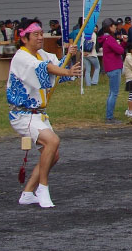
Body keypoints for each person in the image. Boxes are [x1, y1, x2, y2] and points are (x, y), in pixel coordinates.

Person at [8, 18, 82, 208]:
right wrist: (65, 72)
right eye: (36, 34)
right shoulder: (22, 57)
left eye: (41, 34)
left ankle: (27, 193)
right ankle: (43, 188)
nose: (40, 37)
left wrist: (69, 57)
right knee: (53, 141)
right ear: (24, 38)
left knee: (53, 154)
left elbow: (57, 66)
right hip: (23, 114)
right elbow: (45, 69)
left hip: (38, 113)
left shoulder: (42, 54)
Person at [98, 19, 124, 124]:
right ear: (110, 26)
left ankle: (109, 115)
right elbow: (120, 50)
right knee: (114, 93)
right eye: (114, 26)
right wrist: (121, 44)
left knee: (111, 93)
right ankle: (109, 117)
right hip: (114, 67)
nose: (115, 27)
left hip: (109, 67)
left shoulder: (105, 38)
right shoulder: (110, 39)